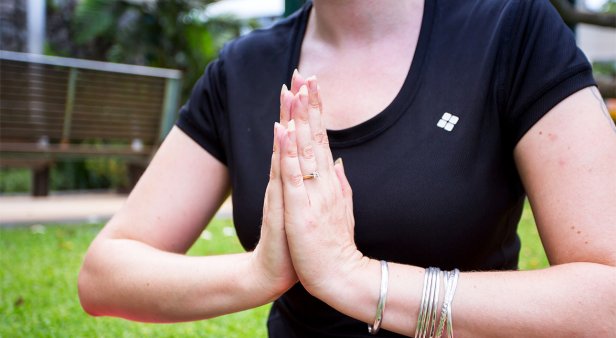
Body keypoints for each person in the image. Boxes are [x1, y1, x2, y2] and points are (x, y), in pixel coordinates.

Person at [78, 0, 616, 337]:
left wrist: (356, 279)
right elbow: (104, 275)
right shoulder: (243, 68)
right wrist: (259, 273)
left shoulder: (512, 27)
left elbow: (605, 300)